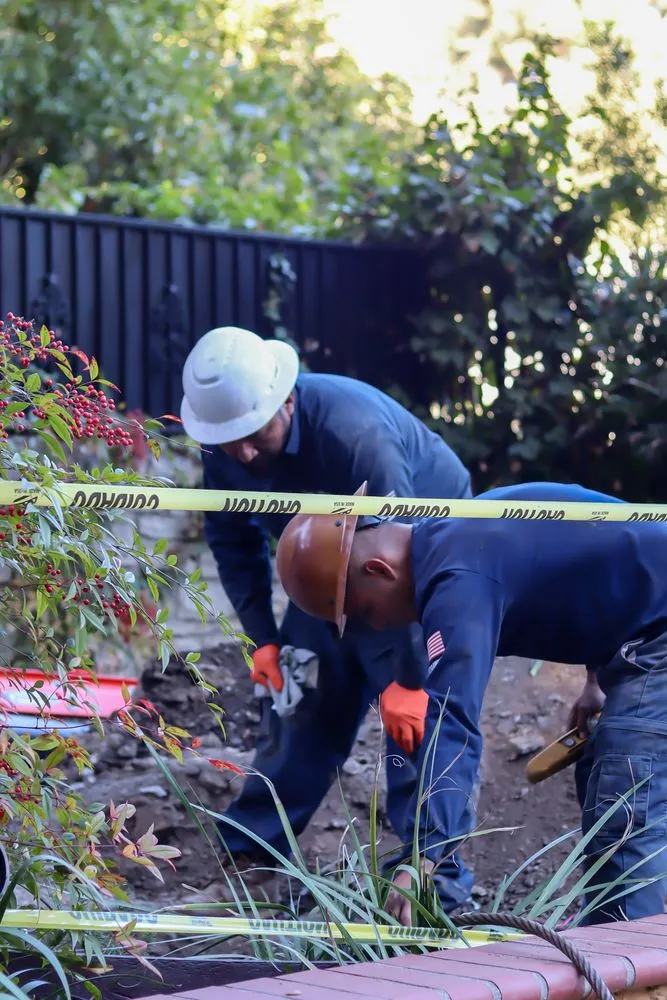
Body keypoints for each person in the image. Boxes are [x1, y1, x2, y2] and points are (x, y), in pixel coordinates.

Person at [275, 479, 667, 926]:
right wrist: (596, 678)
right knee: (605, 782)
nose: (377, 625)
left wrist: (424, 854)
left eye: (364, 612)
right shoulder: (453, 537)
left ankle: (632, 979)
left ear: (380, 570)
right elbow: (596, 562)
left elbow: (453, 719)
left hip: (659, 629)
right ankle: (622, 939)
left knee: (628, 793)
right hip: (643, 627)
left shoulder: (458, 581)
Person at [179, 325, 475, 910]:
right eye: (229, 440)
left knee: (414, 725)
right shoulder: (228, 446)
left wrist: (408, 678)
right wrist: (264, 638)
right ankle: (253, 861)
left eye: (254, 435)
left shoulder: (356, 436)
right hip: (321, 573)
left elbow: (403, 558)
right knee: (301, 699)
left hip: (416, 561)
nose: (243, 453)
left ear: (286, 400)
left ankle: (425, 879)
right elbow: (231, 540)